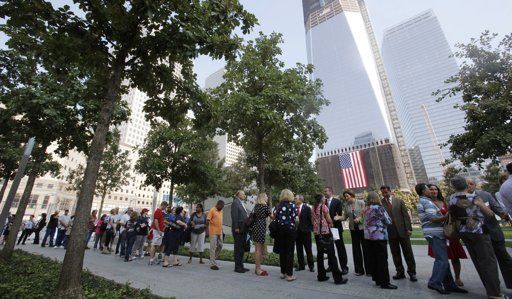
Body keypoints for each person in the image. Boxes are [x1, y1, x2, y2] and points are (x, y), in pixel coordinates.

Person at [449, 175, 501, 298]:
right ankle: (494, 293)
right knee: (488, 262)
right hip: (478, 231)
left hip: (463, 232)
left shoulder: (451, 198)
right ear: (466, 185)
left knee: (478, 261)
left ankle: (489, 288)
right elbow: (489, 214)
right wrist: (483, 206)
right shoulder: (474, 197)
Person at [417, 183, 467, 295]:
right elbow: (433, 218)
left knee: (443, 260)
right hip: (435, 234)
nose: (431, 191)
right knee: (442, 260)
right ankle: (434, 282)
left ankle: (449, 285)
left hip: (436, 233)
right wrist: (447, 216)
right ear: (424, 191)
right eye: (428, 189)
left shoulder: (424, 201)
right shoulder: (427, 202)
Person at [467, 178, 512, 289]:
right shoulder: (460, 199)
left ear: (475, 185)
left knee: (505, 259)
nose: (469, 186)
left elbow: (497, 209)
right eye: (466, 184)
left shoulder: (485, 195)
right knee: (487, 264)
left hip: (494, 232)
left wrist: (505, 215)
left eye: (471, 183)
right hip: (479, 236)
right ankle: (494, 289)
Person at [380, 185, 417, 282]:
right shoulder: (381, 203)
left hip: (403, 231)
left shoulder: (399, 201)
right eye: (383, 193)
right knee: (395, 254)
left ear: (390, 191)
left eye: (386, 192)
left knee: (408, 253)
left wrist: (408, 228)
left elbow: (405, 216)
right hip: (391, 232)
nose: (384, 194)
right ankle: (400, 272)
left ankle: (412, 273)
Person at [312, 193, 348, 285]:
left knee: (320, 254)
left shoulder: (313, 207)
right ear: (321, 199)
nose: (325, 199)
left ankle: (321, 276)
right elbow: (329, 220)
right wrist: (331, 223)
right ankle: (338, 278)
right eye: (324, 198)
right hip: (325, 233)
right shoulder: (324, 207)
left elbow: (313, 220)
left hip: (317, 233)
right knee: (331, 254)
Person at [364, 191, 397, 289]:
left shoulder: (366, 209)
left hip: (368, 237)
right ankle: (385, 282)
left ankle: (377, 279)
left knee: (373, 259)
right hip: (379, 236)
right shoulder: (380, 208)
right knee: (382, 260)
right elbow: (388, 221)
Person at [341, 189, 369, 276]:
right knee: (356, 250)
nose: (346, 198)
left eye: (347, 196)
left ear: (352, 195)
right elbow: (345, 216)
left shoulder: (361, 202)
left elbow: (366, 213)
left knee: (366, 249)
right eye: (345, 197)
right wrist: (339, 217)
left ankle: (369, 270)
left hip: (362, 229)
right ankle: (359, 270)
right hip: (353, 230)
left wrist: (360, 218)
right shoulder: (346, 205)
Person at [323, 186, 348, 274]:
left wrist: (331, 221)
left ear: (331, 192)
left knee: (340, 247)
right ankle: (331, 265)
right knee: (330, 248)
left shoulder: (337, 202)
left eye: (326, 191)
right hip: (327, 229)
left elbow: (339, 214)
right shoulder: (323, 202)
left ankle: (344, 267)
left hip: (336, 228)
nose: (325, 193)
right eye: (324, 192)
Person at [274, 189, 297, 282]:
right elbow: (294, 218)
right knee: (290, 252)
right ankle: (289, 275)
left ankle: (283, 272)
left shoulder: (278, 206)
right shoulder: (292, 206)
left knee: (282, 251)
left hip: (280, 230)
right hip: (290, 230)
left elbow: (276, 217)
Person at [252, 193, 271, 276]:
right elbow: (272, 216)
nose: (267, 197)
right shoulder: (265, 206)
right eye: (266, 196)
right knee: (259, 250)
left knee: (257, 249)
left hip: (256, 226)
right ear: (263, 198)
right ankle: (258, 269)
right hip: (261, 227)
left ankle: (258, 268)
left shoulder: (256, 206)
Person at [295, 194, 314, 273]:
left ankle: (311, 266)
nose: (294, 199)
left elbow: (311, 220)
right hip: (297, 232)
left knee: (308, 249)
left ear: (300, 200)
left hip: (306, 232)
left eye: (296, 198)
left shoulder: (307, 208)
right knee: (299, 250)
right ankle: (301, 265)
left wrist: (310, 229)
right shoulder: (293, 208)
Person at [231, 190, 249, 273]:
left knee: (242, 248)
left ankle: (241, 265)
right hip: (238, 229)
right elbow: (234, 216)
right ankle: (237, 267)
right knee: (238, 248)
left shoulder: (241, 202)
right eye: (243, 194)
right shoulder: (235, 203)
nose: (245, 195)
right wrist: (236, 227)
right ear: (238, 195)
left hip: (243, 229)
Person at [207, 200, 224, 270]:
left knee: (220, 245)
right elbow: (207, 220)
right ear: (217, 205)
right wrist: (207, 231)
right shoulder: (212, 210)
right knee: (213, 247)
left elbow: (220, 221)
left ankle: (212, 257)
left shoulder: (221, 211)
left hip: (220, 231)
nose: (222, 208)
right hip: (213, 231)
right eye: (221, 206)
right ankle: (213, 264)